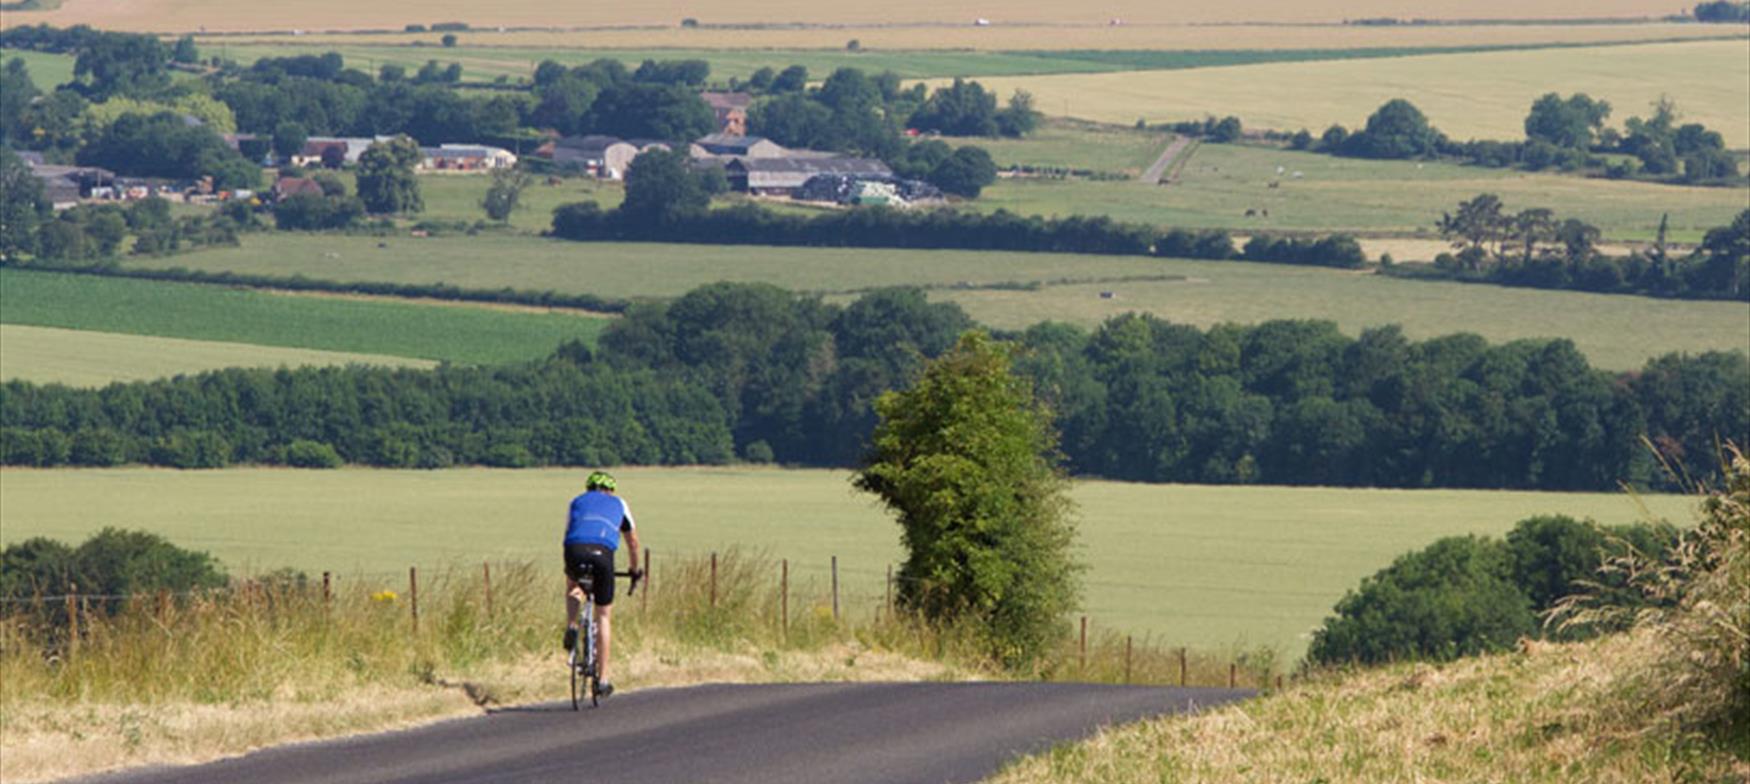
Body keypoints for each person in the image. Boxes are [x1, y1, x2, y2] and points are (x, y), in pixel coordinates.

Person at [562, 470, 642, 697]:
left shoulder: (575, 501)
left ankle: (571, 625)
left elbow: (568, 532)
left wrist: (571, 568)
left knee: (573, 585)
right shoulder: (620, 504)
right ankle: (603, 680)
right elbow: (633, 542)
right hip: (603, 553)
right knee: (603, 615)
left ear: (588, 488)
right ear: (611, 490)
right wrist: (634, 570)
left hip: (574, 548)